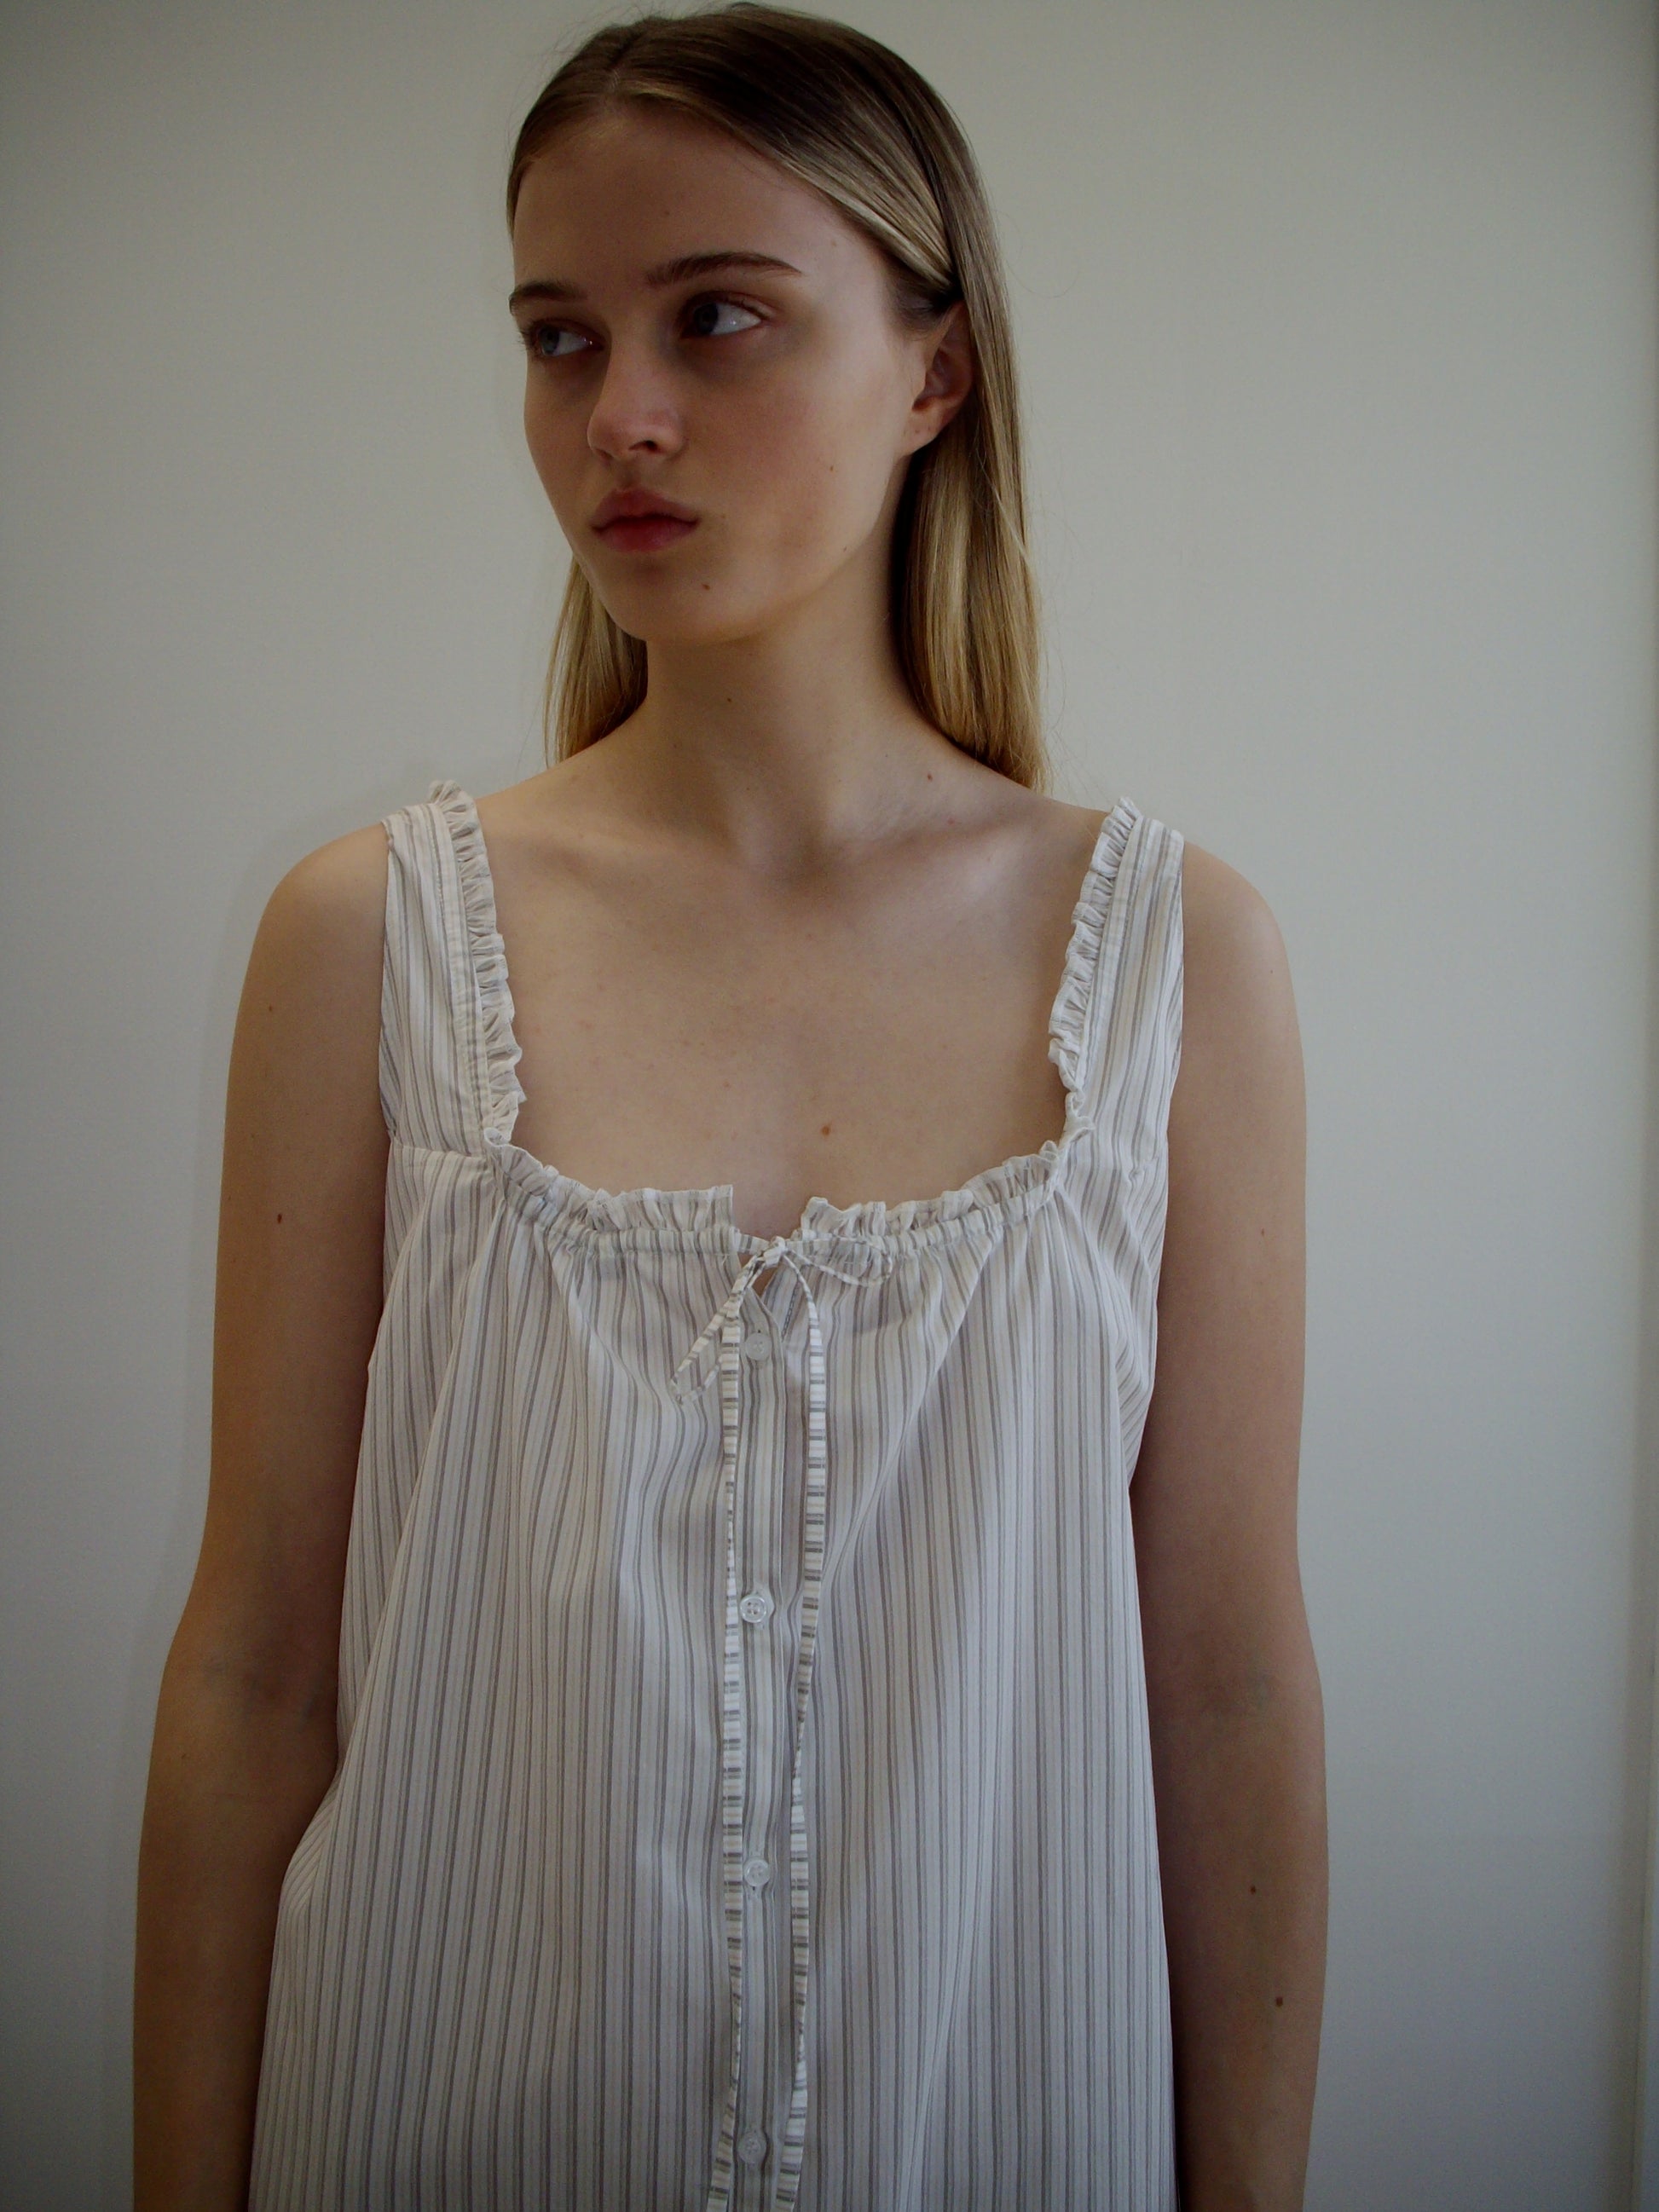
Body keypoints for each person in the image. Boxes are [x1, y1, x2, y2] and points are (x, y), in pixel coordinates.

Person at [133, 6, 1327, 2207]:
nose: (621, 416)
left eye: (717, 317)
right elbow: (253, 1672)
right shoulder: (370, 942)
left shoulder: (1177, 966)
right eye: (558, 337)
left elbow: (1230, 1685)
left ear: (934, 372)